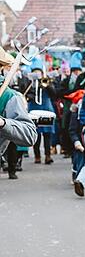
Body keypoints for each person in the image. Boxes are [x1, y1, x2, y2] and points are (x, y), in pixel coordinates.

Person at [0, 48, 38, 180]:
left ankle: (12, 169)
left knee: (12, 150)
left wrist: (3, 123)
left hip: (8, 132)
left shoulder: (9, 96)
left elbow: (30, 135)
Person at [25, 67, 56, 164]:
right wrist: (31, 92)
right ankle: (37, 155)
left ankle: (48, 155)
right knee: (36, 133)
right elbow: (25, 93)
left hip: (46, 108)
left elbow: (54, 94)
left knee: (48, 133)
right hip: (34, 109)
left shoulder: (47, 81)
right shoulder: (30, 83)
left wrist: (47, 85)